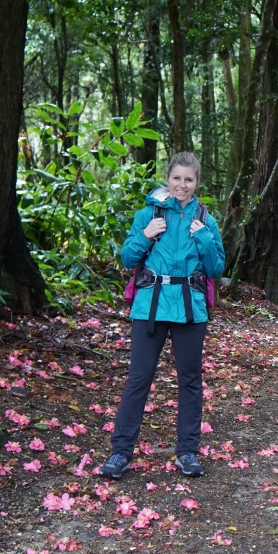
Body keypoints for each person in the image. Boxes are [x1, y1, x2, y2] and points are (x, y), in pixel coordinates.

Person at [101, 152, 225, 479]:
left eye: (188, 179)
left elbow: (215, 268)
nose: (182, 185)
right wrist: (145, 235)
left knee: (190, 380)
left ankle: (187, 452)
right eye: (177, 178)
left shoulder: (205, 220)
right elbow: (128, 258)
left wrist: (205, 239)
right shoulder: (148, 214)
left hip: (189, 308)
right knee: (139, 378)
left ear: (196, 183)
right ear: (168, 179)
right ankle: (120, 452)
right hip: (150, 306)